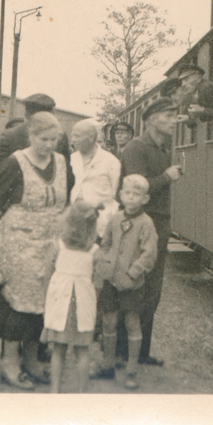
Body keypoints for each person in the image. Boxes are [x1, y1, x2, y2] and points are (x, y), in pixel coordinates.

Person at [0, 112, 69, 389]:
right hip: (17, 245)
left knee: (42, 306)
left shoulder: (62, 163)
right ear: (31, 136)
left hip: (49, 246)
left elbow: (68, 200)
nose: (49, 145)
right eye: (43, 139)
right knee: (18, 306)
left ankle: (31, 361)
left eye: (54, 139)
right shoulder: (15, 163)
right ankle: (9, 364)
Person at [118, 97, 182, 367]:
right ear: (152, 119)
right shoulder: (136, 148)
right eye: (168, 115)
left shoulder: (161, 148)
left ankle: (140, 352)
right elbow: (135, 192)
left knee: (152, 290)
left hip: (159, 224)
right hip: (141, 225)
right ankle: (122, 352)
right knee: (133, 286)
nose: (173, 120)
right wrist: (167, 177)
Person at [93, 174, 158, 389]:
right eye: (127, 193)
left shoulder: (146, 223)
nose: (131, 198)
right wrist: (105, 265)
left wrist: (133, 273)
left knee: (132, 323)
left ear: (145, 198)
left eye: (136, 194)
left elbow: (149, 254)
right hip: (111, 280)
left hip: (132, 284)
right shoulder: (115, 219)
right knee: (109, 322)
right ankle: (108, 365)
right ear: (121, 195)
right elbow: (105, 243)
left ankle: (131, 369)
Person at [41, 202, 100, 393]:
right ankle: (82, 392)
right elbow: (99, 282)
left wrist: (46, 299)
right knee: (82, 350)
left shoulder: (58, 246)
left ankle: (55, 391)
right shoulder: (94, 251)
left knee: (58, 350)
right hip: (83, 303)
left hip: (60, 302)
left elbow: (47, 273)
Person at [69, 119, 121, 237]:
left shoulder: (111, 161)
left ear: (91, 137)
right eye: (72, 136)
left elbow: (115, 194)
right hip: (75, 224)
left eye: (77, 136)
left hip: (101, 225)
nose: (73, 140)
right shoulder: (71, 160)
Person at [168, 64, 213, 128]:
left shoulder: (207, 87)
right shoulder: (190, 94)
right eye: (182, 81)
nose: (183, 84)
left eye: (186, 79)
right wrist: (188, 119)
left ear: (198, 78)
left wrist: (202, 110)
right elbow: (193, 124)